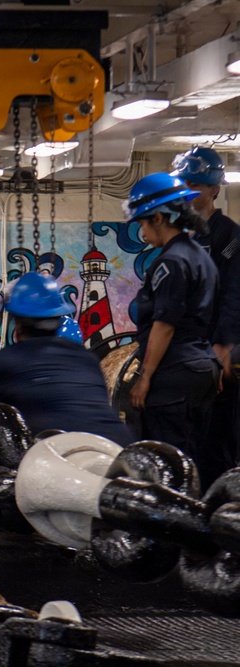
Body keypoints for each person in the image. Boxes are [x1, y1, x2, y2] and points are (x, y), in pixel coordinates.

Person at [0, 272, 133, 445]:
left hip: (58, 458)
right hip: (116, 448)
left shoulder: (8, 360)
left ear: (19, 325)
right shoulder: (86, 358)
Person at [125, 172, 222, 490]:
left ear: (158, 217)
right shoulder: (200, 257)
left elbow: (164, 326)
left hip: (173, 374)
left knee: (165, 463)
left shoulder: (172, 263)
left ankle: (168, 536)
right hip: (202, 368)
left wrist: (145, 377)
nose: (141, 231)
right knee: (193, 457)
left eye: (142, 223)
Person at [171, 146, 240, 467]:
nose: (188, 193)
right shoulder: (188, 237)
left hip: (217, 353)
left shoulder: (230, 237)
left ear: (214, 189)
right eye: (183, 185)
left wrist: (223, 344)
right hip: (192, 353)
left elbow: (233, 293)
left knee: (217, 437)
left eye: (195, 186)